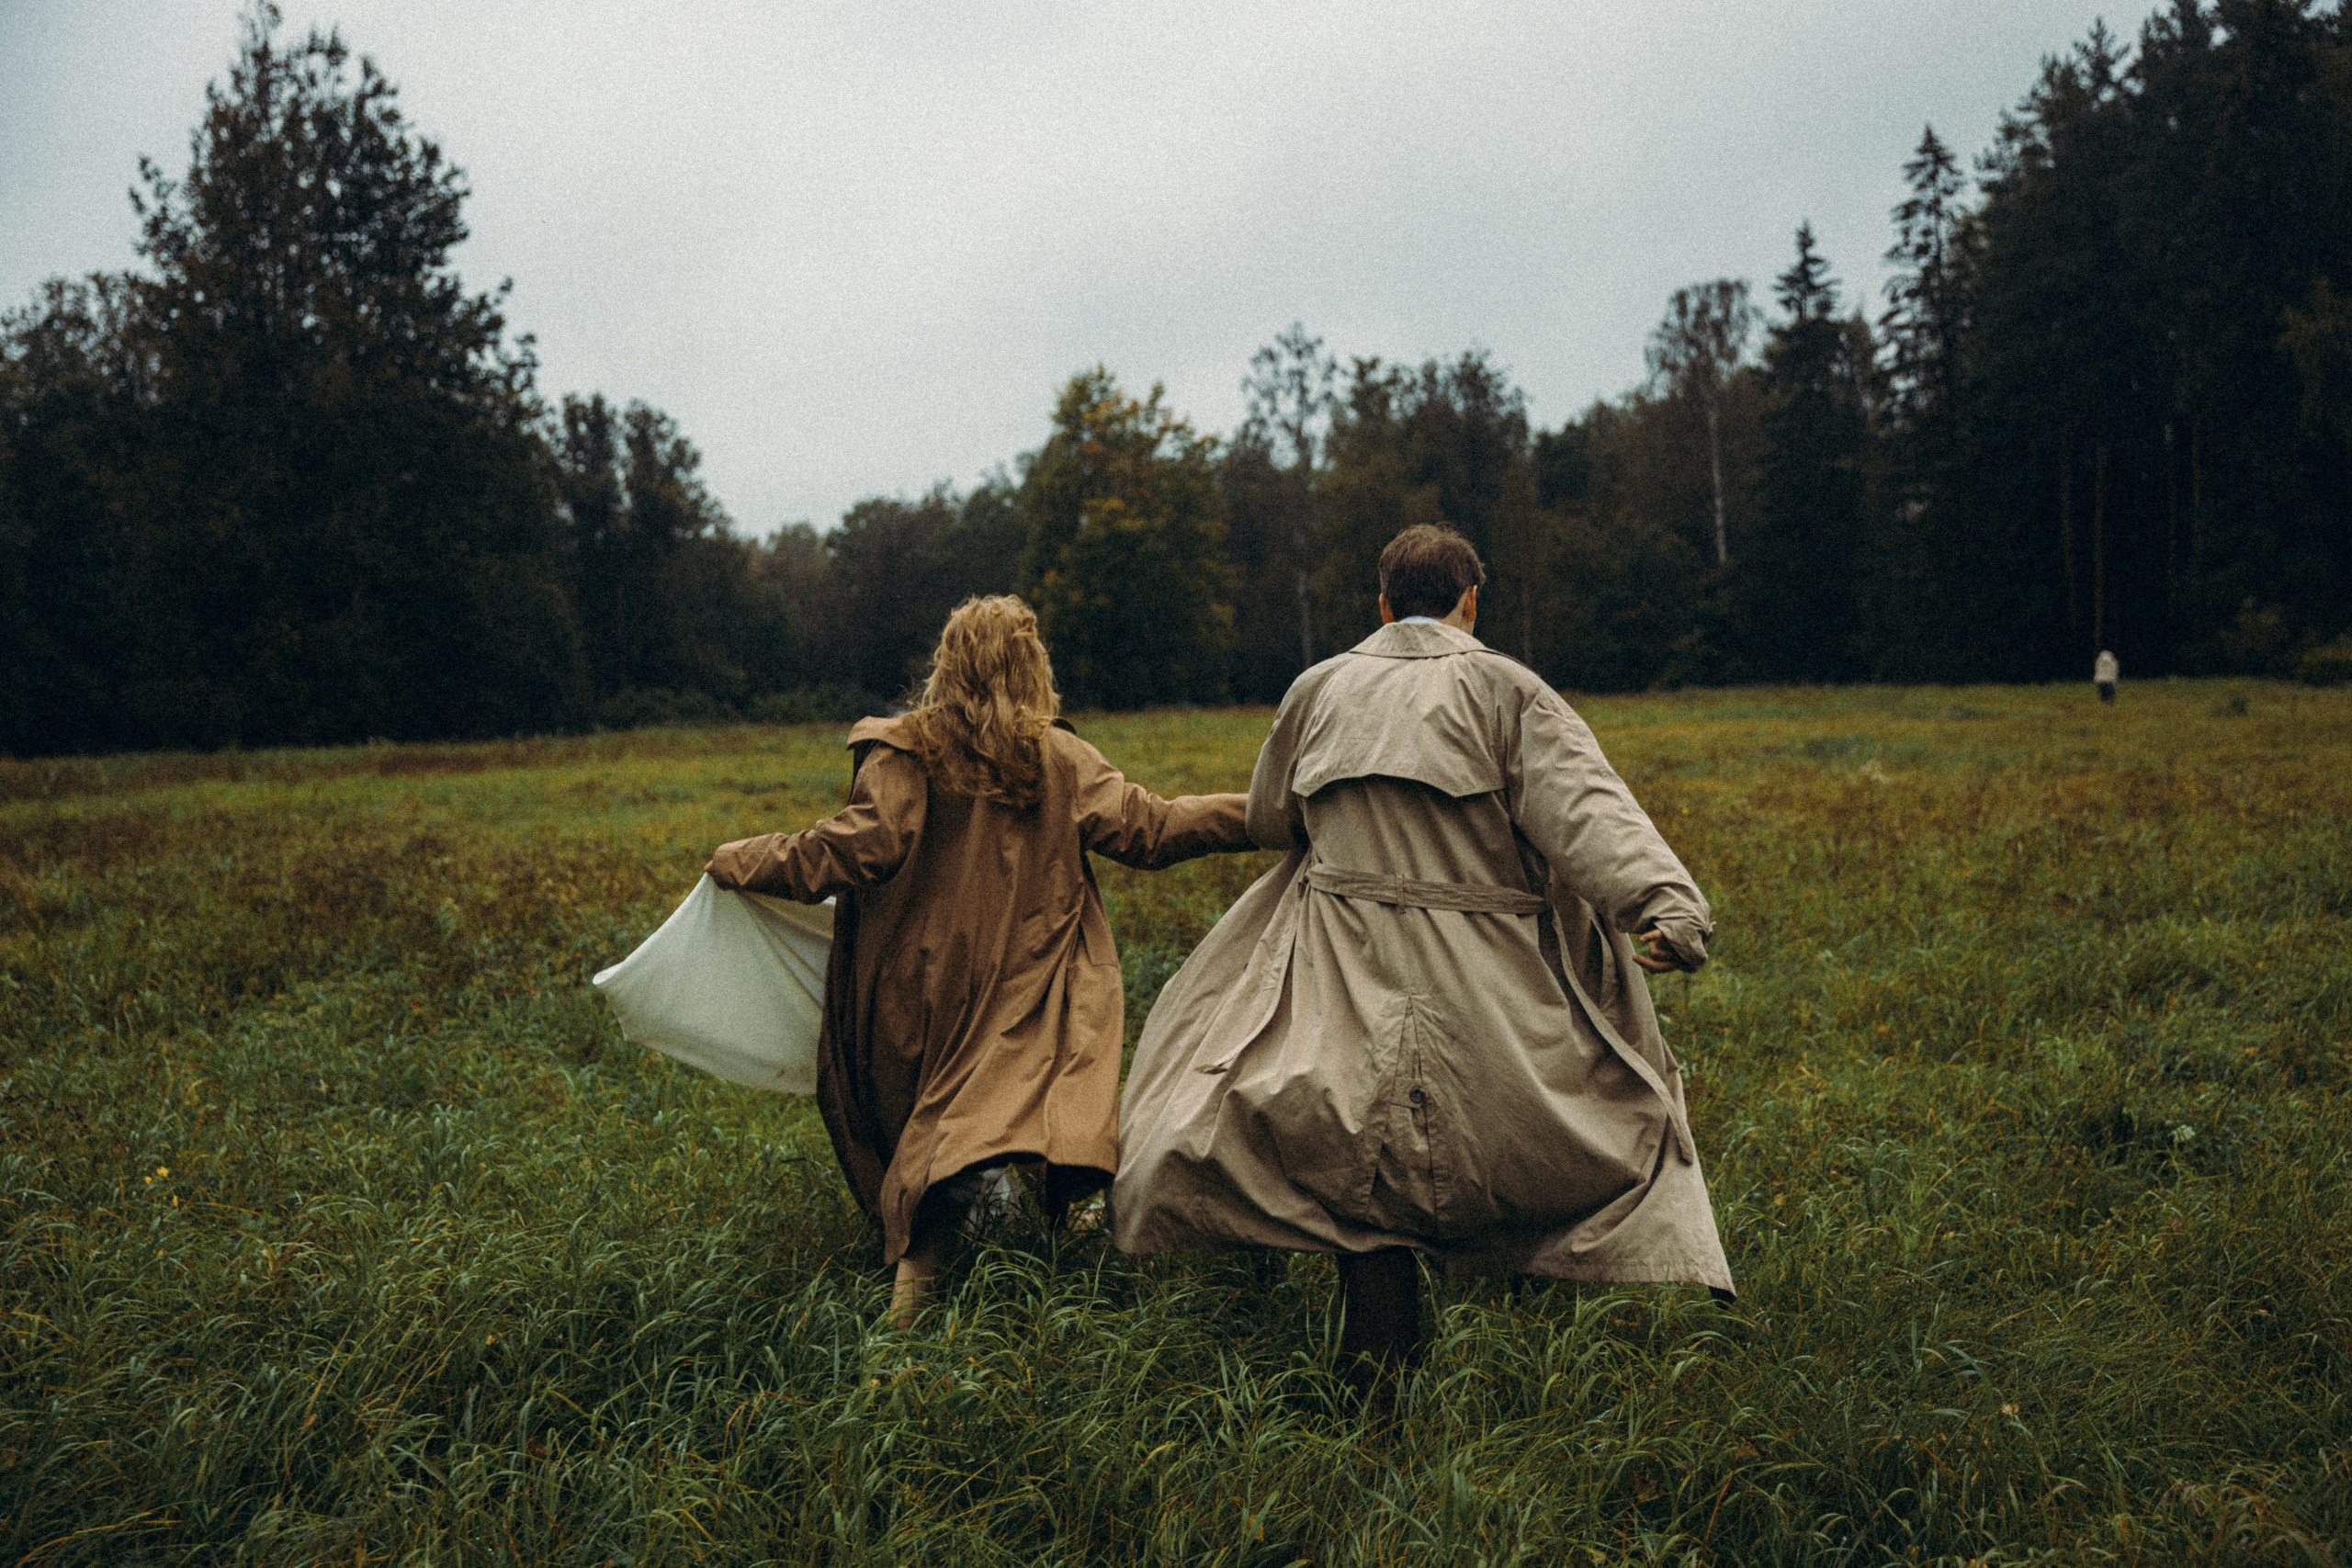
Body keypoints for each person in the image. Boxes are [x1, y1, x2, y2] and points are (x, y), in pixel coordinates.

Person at [1114, 525, 1731, 1405]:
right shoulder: (1508, 691)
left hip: (1341, 979)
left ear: (1382, 603)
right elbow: (1593, 815)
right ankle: (1509, 1386)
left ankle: (1375, 1396)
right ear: (1471, 601)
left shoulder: (1317, 689)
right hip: (1489, 989)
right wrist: (1670, 908)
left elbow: (1267, 815)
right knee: (1533, 1142)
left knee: (1362, 1180)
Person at [706, 595, 1250, 1325]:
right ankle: (913, 1324)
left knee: (971, 1133)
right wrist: (1265, 812)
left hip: (929, 989)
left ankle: (957, 1301)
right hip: (1032, 984)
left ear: (949, 664)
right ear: (1032, 666)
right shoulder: (1055, 757)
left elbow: (854, 846)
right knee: (968, 1139)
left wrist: (746, 858)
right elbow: (1151, 826)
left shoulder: (912, 752)